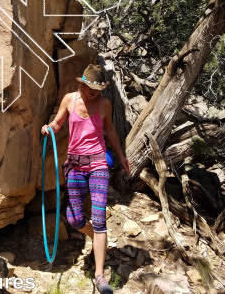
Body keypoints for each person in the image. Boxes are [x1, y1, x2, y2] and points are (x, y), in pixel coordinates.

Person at [41, 64, 131, 294]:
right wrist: (48, 128)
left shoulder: (104, 104)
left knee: (100, 218)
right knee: (74, 219)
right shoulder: (69, 100)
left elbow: (110, 132)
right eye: (91, 88)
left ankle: (100, 276)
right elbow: (58, 123)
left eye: (98, 89)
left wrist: (121, 156)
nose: (94, 92)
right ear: (82, 84)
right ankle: (97, 238)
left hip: (99, 163)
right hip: (75, 166)